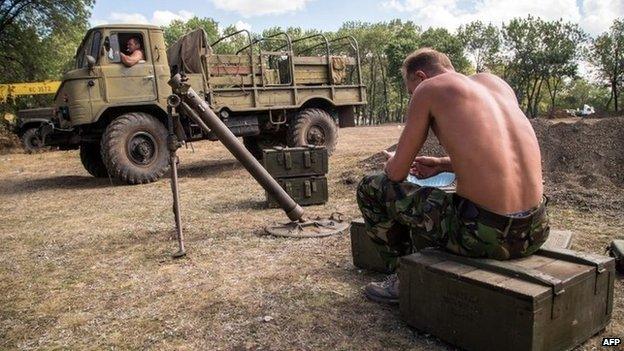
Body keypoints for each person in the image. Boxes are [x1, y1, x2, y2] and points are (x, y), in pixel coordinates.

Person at [357, 48, 550, 304]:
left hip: (482, 239)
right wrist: (441, 164)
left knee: (371, 186)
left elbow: (397, 173)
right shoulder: (496, 84)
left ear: (421, 76)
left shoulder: (428, 89)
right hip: (535, 231)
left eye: (410, 91)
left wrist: (393, 161)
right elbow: (501, 161)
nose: (412, 97)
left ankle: (403, 276)